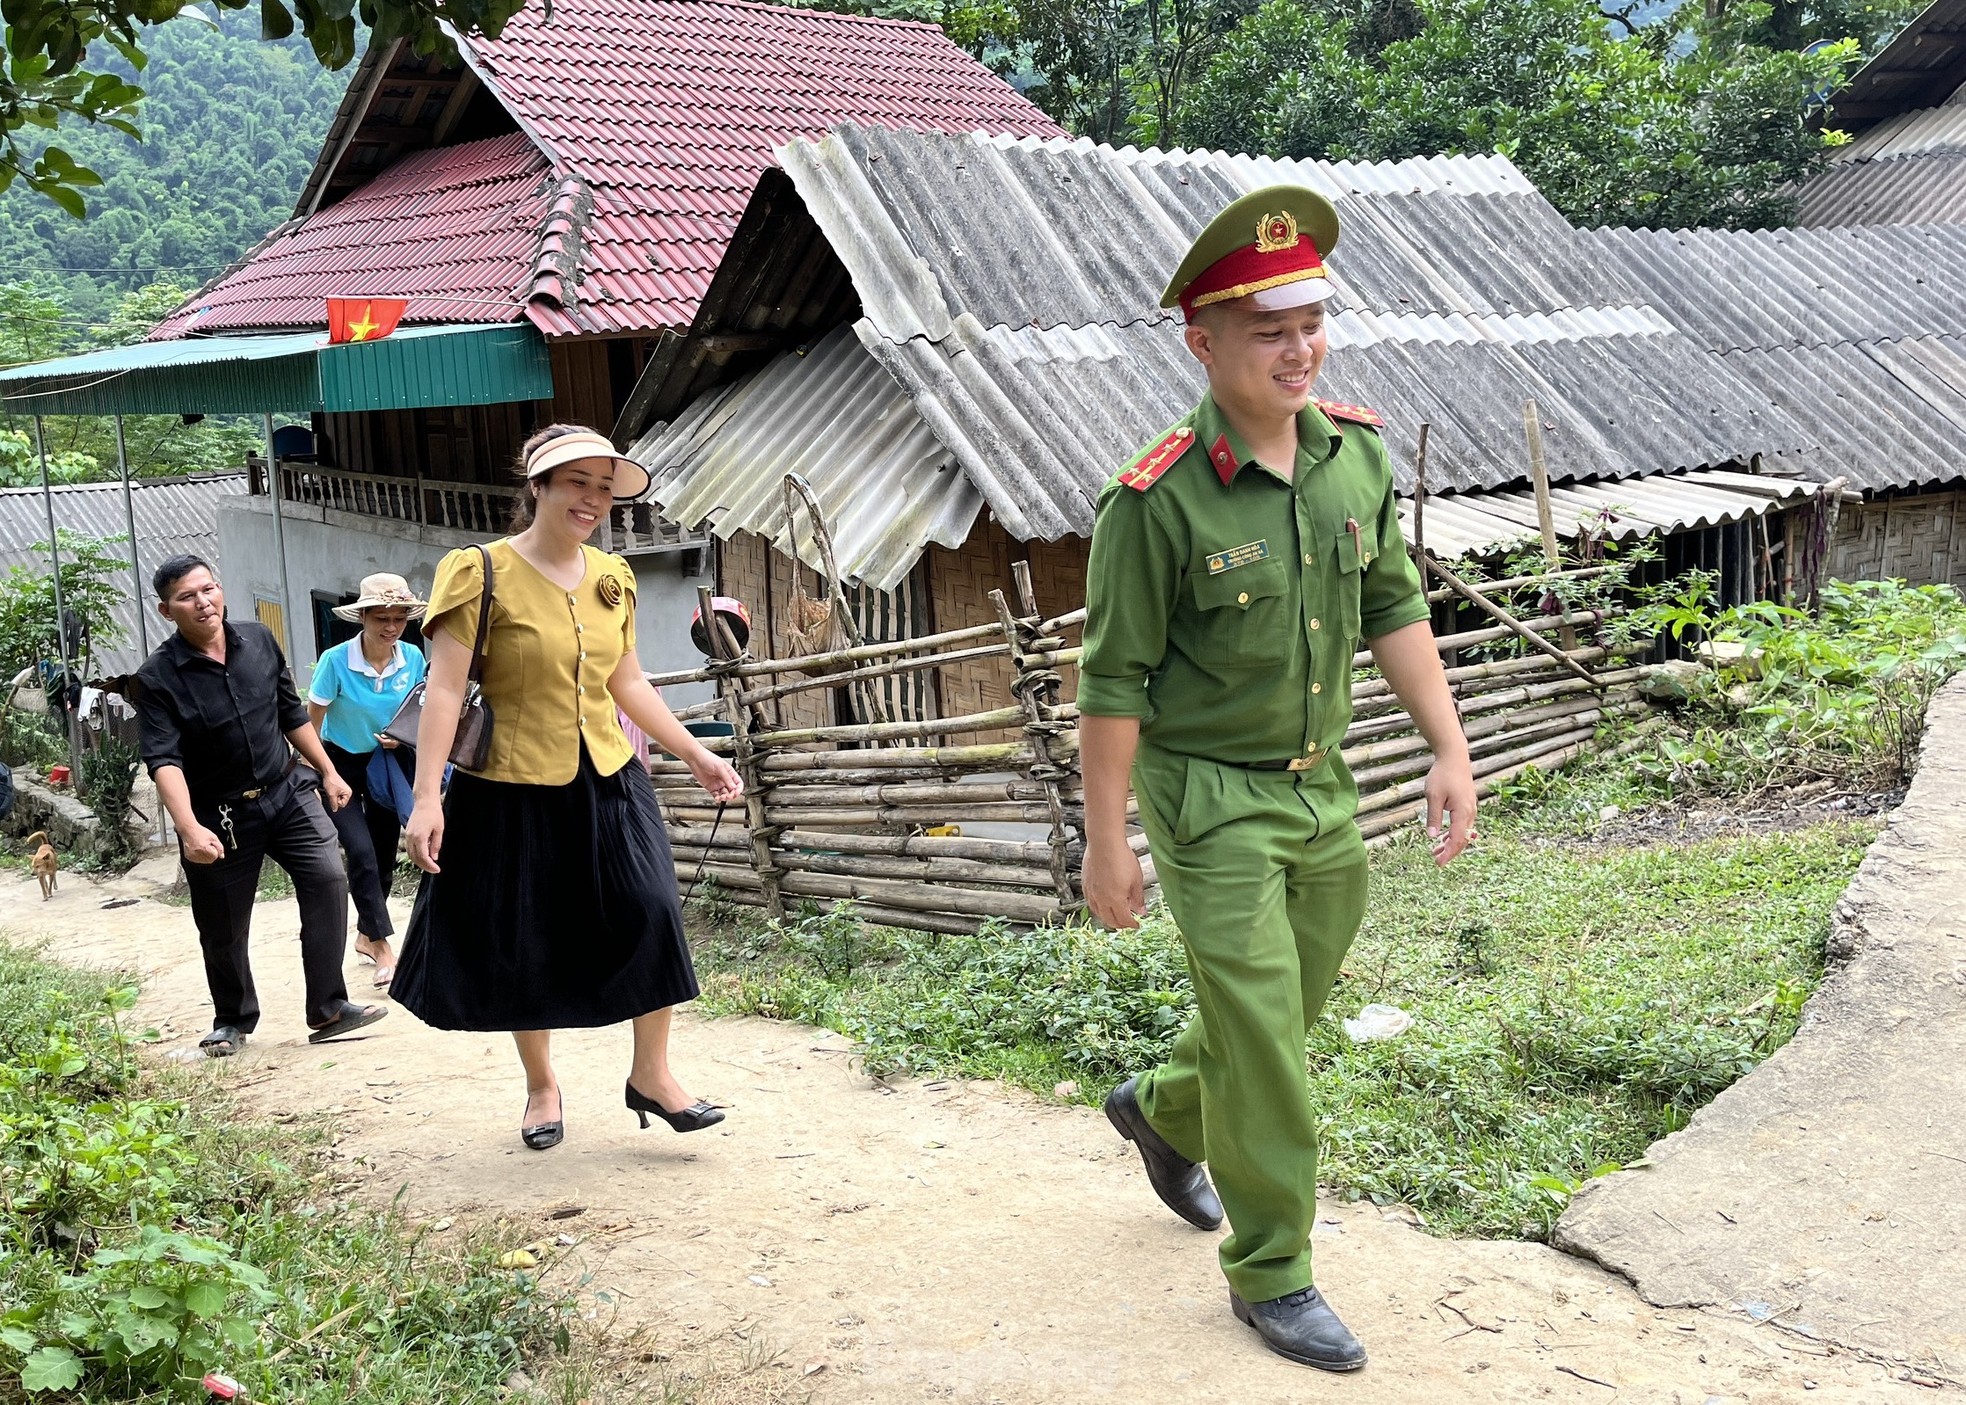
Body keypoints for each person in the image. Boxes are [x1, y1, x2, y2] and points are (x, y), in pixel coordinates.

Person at [1077, 187, 1478, 1372]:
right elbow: (1113, 686)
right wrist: (1109, 843)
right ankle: (1273, 1271)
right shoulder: (1154, 500)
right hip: (1209, 801)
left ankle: (1158, 1110)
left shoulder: (1353, 460)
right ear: (1203, 345)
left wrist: (1448, 746)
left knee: (1283, 1013)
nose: (1298, 348)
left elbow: (1393, 607)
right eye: (1267, 329)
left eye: (1310, 321)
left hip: (1323, 788)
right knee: (1266, 1037)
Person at [391, 425, 744, 1151]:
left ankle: (652, 1073)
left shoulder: (613, 577)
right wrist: (427, 796)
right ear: (539, 487)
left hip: (610, 775)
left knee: (652, 909)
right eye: (576, 481)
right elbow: (446, 689)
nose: (592, 499)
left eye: (603, 487)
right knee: (527, 940)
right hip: (510, 786)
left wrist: (694, 755)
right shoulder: (478, 571)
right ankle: (541, 1084)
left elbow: (628, 680)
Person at [135, 555, 389, 1057]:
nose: (203, 602)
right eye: (188, 596)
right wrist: (188, 828)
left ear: (220, 589)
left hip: (287, 790)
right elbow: (163, 760)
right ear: (167, 610)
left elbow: (291, 714)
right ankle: (232, 1018)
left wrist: (330, 771)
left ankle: (329, 1007)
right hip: (219, 814)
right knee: (223, 921)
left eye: (208, 589)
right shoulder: (157, 677)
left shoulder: (258, 640)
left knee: (328, 880)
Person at [306, 573, 429, 988]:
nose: (390, 626)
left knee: (379, 855)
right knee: (358, 851)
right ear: (363, 618)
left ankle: (364, 933)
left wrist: (401, 738)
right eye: (381, 617)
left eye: (398, 618)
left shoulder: (411, 658)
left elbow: (419, 710)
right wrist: (320, 773)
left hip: (386, 764)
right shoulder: (335, 661)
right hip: (338, 763)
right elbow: (312, 722)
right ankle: (382, 945)